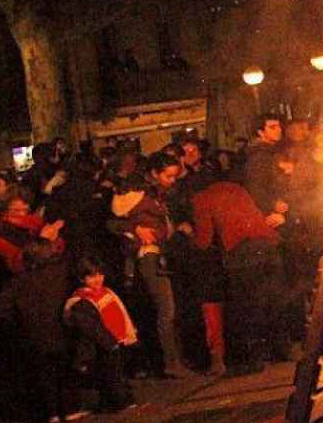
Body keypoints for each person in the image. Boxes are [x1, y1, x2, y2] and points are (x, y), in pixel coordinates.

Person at [191, 180, 285, 375]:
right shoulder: (237, 188)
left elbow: (205, 238)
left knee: (247, 306)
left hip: (241, 251)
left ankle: (252, 360)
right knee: (271, 299)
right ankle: (280, 349)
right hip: (268, 244)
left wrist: (189, 239)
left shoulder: (201, 198)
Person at [107, 154, 189, 378]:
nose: (172, 180)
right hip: (149, 256)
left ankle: (175, 360)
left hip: (164, 252)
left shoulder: (158, 194)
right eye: (168, 176)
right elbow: (112, 222)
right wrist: (136, 229)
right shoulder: (135, 195)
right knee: (166, 309)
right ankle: (171, 363)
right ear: (154, 173)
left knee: (170, 309)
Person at [0, 238, 81, 423]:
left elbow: (1, 310)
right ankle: (69, 408)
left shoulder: (17, 282)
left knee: (44, 374)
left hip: (32, 335)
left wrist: (19, 323)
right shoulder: (60, 274)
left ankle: (51, 412)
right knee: (64, 371)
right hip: (60, 329)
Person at [63, 259, 138, 412]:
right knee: (110, 374)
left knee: (117, 372)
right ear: (82, 279)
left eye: (99, 274)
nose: (97, 279)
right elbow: (91, 327)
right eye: (91, 276)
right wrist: (108, 342)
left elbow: (121, 313)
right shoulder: (81, 299)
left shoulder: (107, 291)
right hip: (104, 343)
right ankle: (118, 401)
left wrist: (129, 332)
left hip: (118, 339)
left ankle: (118, 400)